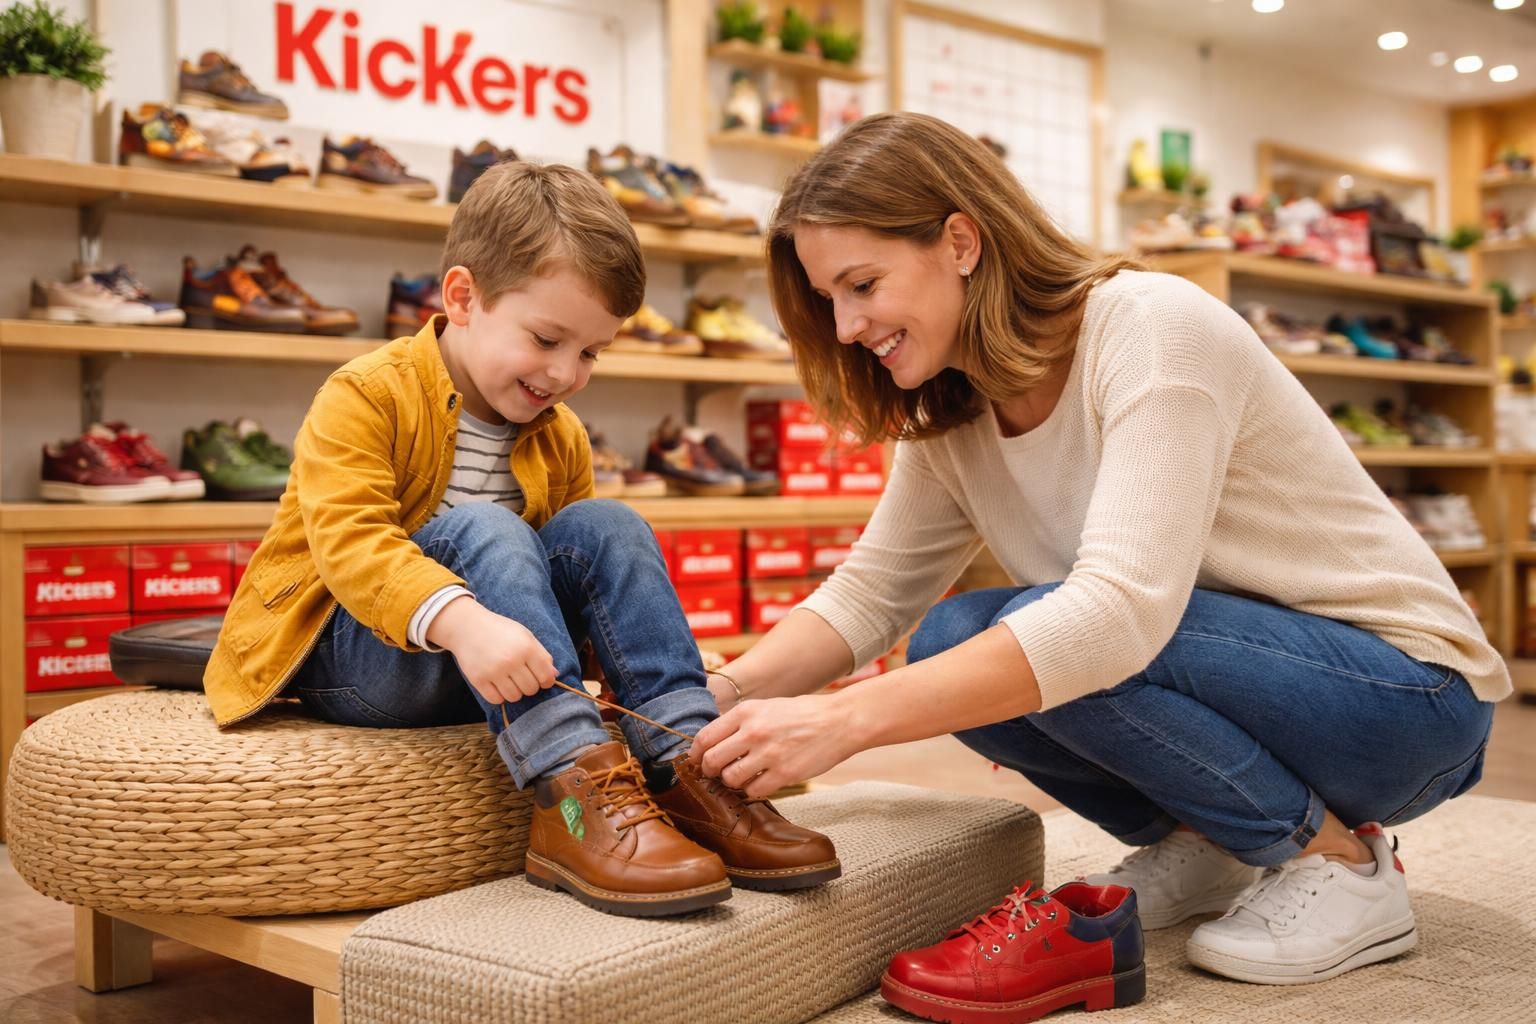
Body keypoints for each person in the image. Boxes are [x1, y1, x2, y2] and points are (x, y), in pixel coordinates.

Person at [690, 113, 1508, 988]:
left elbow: (1120, 612)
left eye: (862, 284)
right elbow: (870, 594)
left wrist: (846, 719)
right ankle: (1211, 840)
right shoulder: (950, 404)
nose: (846, 326)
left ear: (960, 241)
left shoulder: (1151, 326)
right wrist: (721, 691)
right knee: (947, 637)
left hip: (1410, 701)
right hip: (1254, 682)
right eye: (828, 300)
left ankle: (1346, 868)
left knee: (1047, 625)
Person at [205, 160, 838, 918]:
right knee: (487, 526)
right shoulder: (364, 393)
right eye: (546, 338)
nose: (567, 373)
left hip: (495, 667)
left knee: (609, 524)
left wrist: (634, 653)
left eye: (592, 352)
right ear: (463, 298)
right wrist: (464, 622)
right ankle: (572, 799)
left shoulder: (558, 434)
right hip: (358, 652)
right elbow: (351, 546)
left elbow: (575, 580)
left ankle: (691, 767)